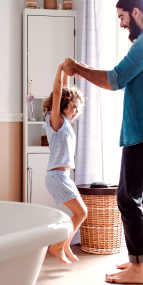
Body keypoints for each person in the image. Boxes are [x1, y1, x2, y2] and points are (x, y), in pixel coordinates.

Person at [62, 0, 143, 284]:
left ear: (137, 12)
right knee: (141, 196)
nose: (121, 24)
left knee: (127, 197)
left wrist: (77, 68)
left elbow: (115, 79)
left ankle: (139, 268)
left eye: (123, 17)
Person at [42, 63, 88, 265]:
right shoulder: (56, 121)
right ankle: (58, 245)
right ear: (62, 105)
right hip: (57, 177)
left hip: (62, 176)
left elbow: (66, 91)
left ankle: (65, 244)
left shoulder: (65, 123)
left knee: (79, 213)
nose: (77, 110)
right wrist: (60, 70)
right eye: (73, 106)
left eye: (79, 107)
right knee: (82, 212)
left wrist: (68, 74)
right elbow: (59, 92)